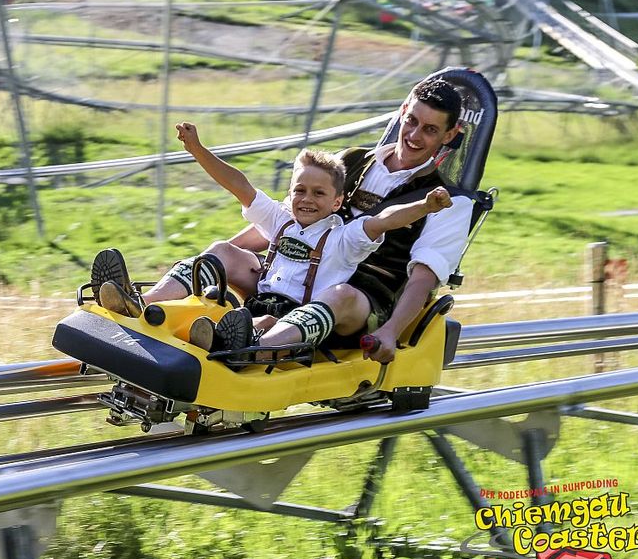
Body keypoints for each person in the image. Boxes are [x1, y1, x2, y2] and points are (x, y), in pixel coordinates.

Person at [92, 77, 473, 363]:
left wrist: (391, 332)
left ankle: (249, 348)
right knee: (224, 252)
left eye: (430, 129)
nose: (414, 135)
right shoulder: (353, 160)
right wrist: (222, 263)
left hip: (363, 302)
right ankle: (138, 307)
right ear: (403, 112)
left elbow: (423, 277)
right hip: (297, 274)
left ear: (450, 134)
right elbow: (289, 219)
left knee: (338, 295)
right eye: (412, 121)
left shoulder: (449, 201)